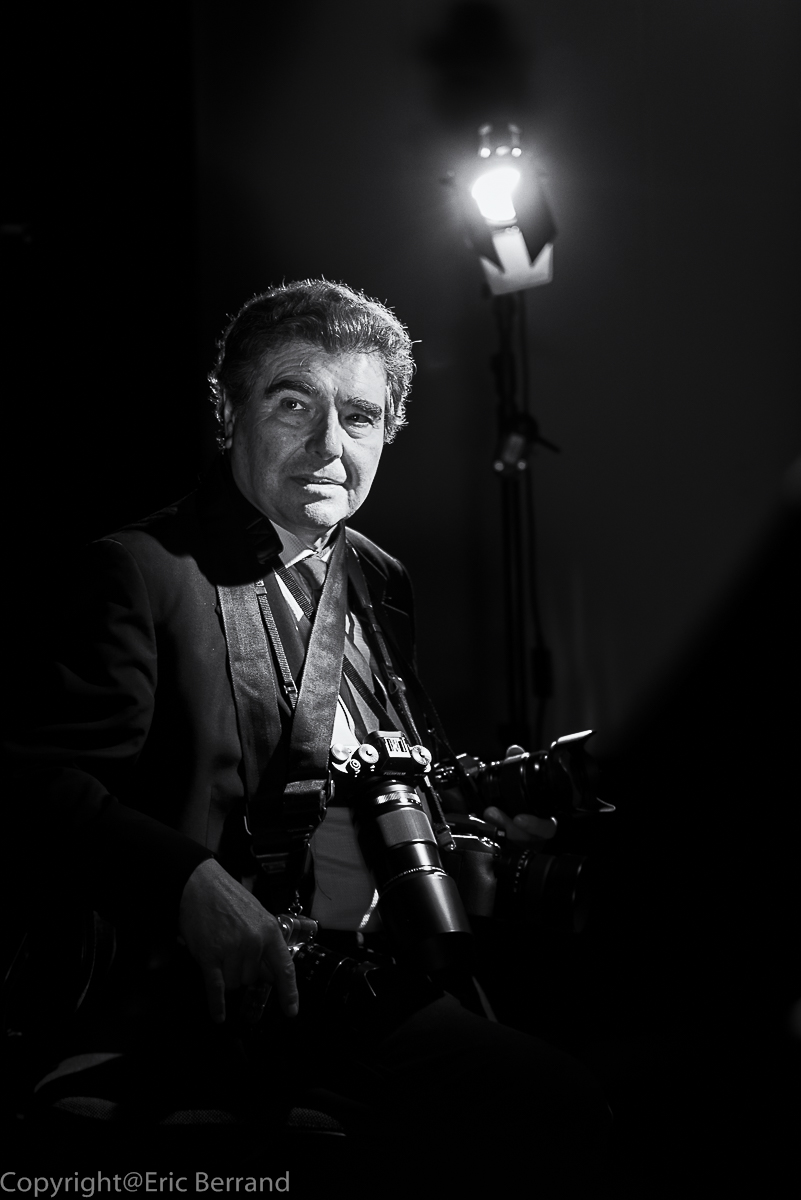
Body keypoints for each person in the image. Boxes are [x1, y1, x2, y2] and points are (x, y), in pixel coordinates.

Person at [7, 280, 610, 1188]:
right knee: (552, 1108)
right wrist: (187, 881)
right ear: (227, 411)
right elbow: (36, 785)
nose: (330, 444)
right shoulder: (140, 572)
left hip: (378, 973)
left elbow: (390, 771)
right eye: (294, 404)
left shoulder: (377, 578)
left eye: (359, 417)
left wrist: (469, 834)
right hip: (213, 997)